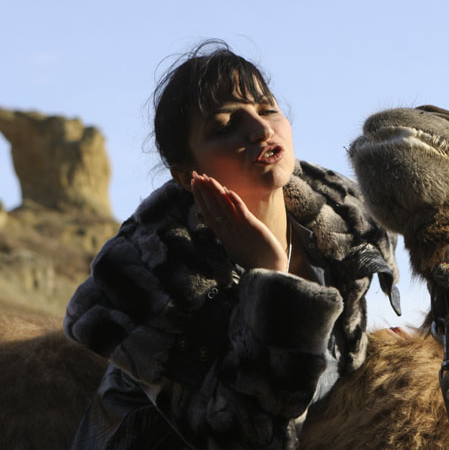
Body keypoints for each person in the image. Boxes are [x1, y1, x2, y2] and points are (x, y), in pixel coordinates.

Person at [63, 40, 401, 449]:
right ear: (187, 176)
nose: (260, 130)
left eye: (267, 109)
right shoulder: (148, 278)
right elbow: (243, 436)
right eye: (224, 127)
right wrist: (270, 278)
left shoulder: (344, 223)